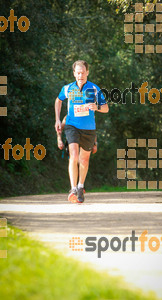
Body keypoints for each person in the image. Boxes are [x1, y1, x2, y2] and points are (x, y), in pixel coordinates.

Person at [55, 60, 109, 203]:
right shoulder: (68, 88)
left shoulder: (94, 89)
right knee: (73, 155)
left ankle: (80, 186)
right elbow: (58, 101)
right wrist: (58, 119)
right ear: (74, 74)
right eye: (78, 73)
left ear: (87, 73)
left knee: (84, 159)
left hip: (89, 129)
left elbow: (106, 108)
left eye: (83, 72)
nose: (80, 75)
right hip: (72, 126)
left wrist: (96, 107)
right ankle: (73, 188)